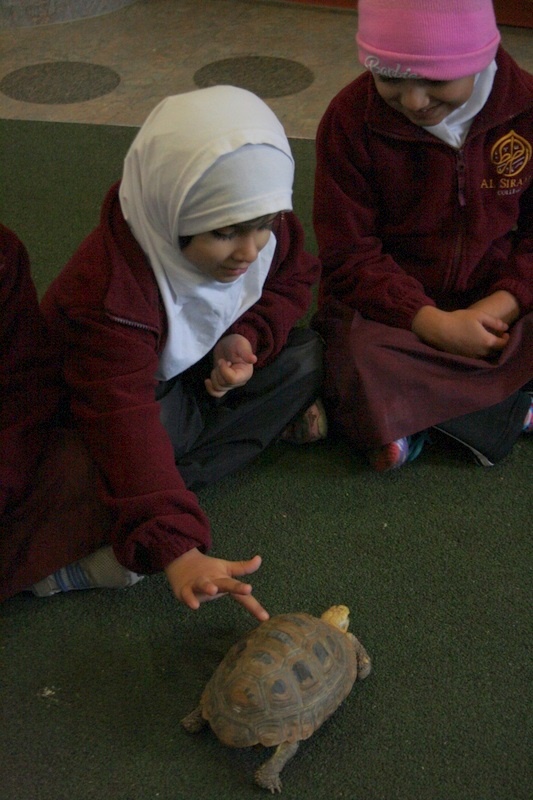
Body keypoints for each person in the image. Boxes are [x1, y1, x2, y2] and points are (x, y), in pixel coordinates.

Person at [1, 86, 325, 616]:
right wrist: (177, 548)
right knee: (117, 453)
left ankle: (148, 492)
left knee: (306, 356)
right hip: (107, 405)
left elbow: (292, 279)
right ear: (169, 213)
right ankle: (146, 504)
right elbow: (119, 414)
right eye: (224, 233)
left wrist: (246, 336)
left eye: (263, 227)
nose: (248, 251)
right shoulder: (107, 294)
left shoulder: (267, 226)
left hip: (188, 377)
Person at [312, 0, 533, 472]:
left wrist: (499, 306)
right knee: (353, 352)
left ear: (480, 55)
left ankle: (416, 415)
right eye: (389, 78)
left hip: (493, 299)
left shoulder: (527, 109)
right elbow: (349, 255)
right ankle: (507, 406)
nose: (413, 101)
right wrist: (433, 324)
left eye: (435, 79)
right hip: (393, 311)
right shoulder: (349, 120)